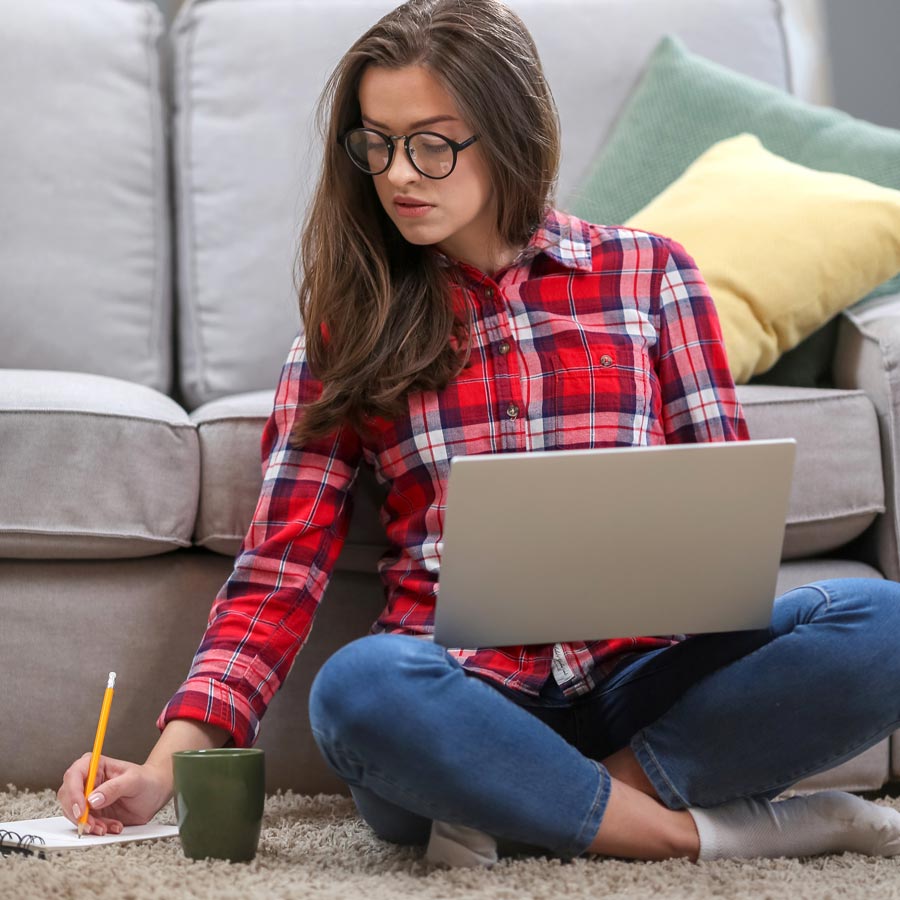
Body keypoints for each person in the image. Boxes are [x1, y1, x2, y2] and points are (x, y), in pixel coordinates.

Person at [58, 0, 900, 868]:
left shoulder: (651, 275)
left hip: (652, 680)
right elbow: (279, 573)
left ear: (509, 131)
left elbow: (729, 528)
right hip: (466, 697)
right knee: (360, 687)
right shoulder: (346, 334)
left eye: (431, 142)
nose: (396, 175)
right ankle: (697, 835)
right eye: (376, 143)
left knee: (882, 623)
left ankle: (534, 808)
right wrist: (163, 769)